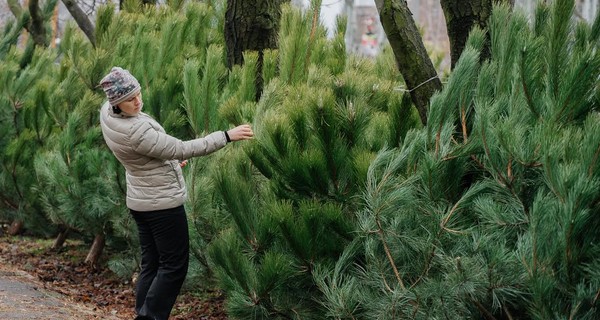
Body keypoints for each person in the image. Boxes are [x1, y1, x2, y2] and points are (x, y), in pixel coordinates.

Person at [98, 67, 253, 320]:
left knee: (152, 263)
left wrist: (166, 162)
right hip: (162, 206)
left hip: (141, 199)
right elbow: (182, 148)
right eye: (130, 99)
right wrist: (226, 136)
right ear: (117, 103)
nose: (138, 101)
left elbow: (146, 155)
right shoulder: (137, 131)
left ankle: (142, 314)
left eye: (138, 94)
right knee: (173, 267)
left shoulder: (107, 115)